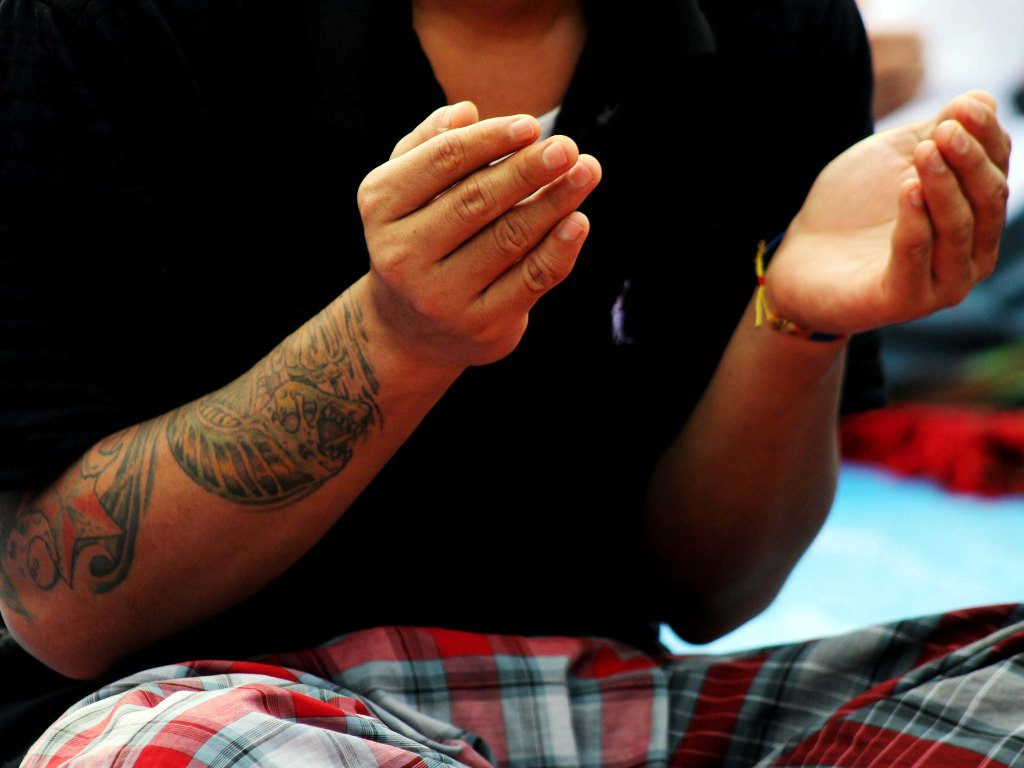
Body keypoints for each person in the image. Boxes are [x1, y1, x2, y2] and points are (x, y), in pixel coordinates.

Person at [0, 0, 1013, 763]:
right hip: (221, 709)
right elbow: (61, 609)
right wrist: (398, 337)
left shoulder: (774, 28)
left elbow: (709, 594)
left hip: (607, 705)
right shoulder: (104, 22)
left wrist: (795, 320)